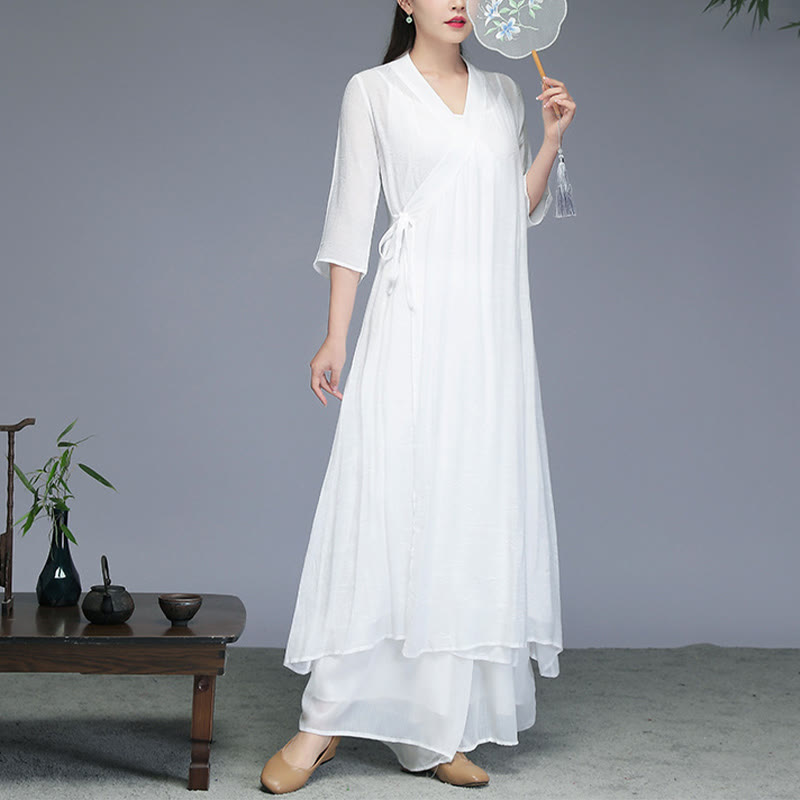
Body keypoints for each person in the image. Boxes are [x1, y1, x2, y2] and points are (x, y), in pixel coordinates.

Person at [261, 0, 575, 793]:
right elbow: (350, 216)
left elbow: (514, 208)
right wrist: (336, 336)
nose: (459, 2)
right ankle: (324, 723)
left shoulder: (503, 94)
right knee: (387, 502)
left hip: (487, 338)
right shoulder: (373, 91)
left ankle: (433, 730)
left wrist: (549, 142)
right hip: (410, 320)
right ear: (406, 1)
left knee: (464, 512)